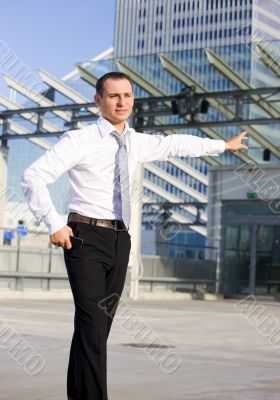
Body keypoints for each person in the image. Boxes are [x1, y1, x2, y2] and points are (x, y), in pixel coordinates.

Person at [21, 71, 248, 400]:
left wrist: (223, 145)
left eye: (127, 95)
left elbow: (175, 145)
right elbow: (33, 176)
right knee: (93, 326)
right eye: (113, 96)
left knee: (96, 330)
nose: (121, 102)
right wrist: (54, 222)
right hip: (84, 237)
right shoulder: (79, 140)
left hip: (119, 239)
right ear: (98, 100)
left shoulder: (136, 141)